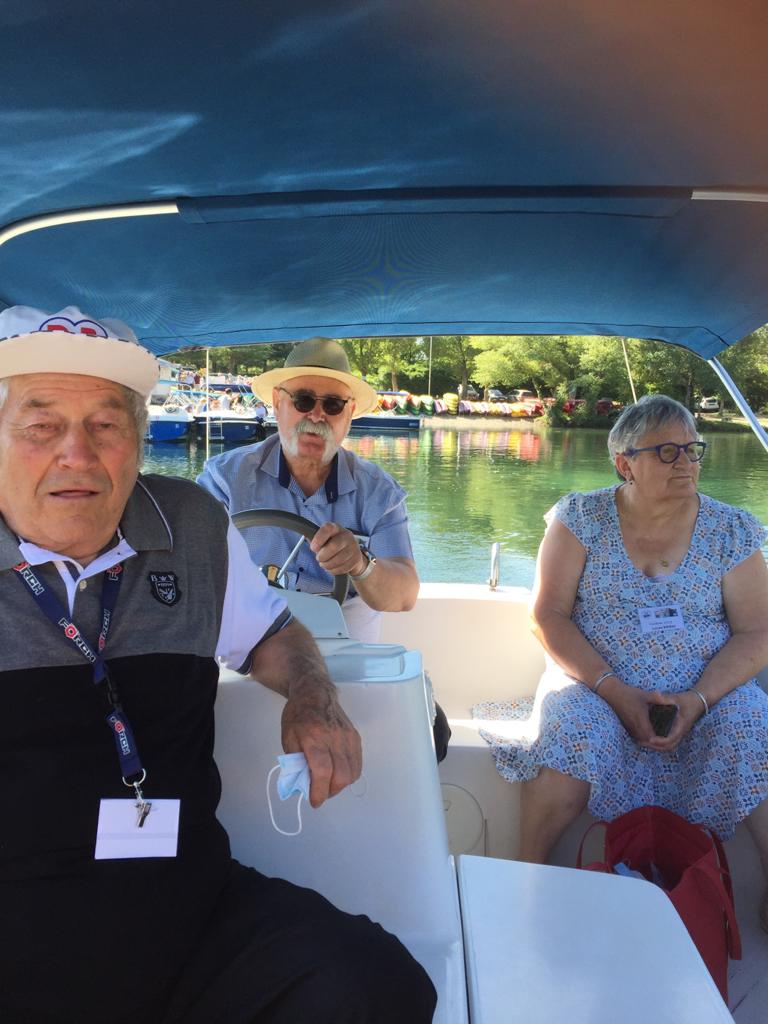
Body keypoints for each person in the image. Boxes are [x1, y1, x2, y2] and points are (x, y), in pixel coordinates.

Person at [0, 306, 436, 1024]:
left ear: (137, 440)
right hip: (21, 915)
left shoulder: (194, 525)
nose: (76, 454)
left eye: (106, 425)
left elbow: (276, 633)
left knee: (378, 985)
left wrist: (311, 693)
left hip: (186, 902)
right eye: (41, 426)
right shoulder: (229, 478)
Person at [483, 395, 768, 924]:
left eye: (691, 449)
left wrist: (697, 700)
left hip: (706, 692)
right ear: (624, 463)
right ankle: (527, 877)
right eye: (666, 451)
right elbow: (548, 615)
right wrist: (614, 691)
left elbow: (757, 631)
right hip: (597, 684)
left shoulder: (733, 531)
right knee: (572, 723)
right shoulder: (580, 518)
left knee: (753, 722)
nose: (686, 462)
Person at [197, 337, 419, 645]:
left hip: (347, 647)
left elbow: (404, 595)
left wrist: (359, 563)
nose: (317, 416)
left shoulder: (379, 494)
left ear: (350, 412)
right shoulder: (224, 480)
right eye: (303, 400)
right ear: (277, 402)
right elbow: (191, 565)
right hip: (251, 641)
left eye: (332, 404)